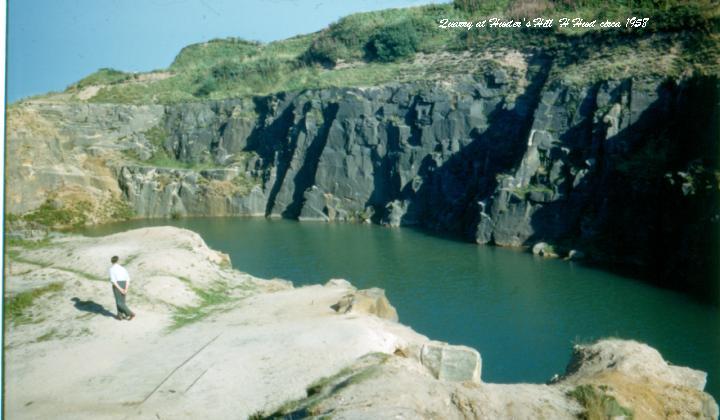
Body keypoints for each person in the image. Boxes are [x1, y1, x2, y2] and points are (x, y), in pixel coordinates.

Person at [109, 255, 135, 321]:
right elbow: (128, 279)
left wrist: (120, 289)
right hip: (124, 284)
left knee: (119, 302)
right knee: (122, 301)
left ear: (111, 261)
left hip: (117, 284)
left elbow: (113, 281)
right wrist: (125, 289)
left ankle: (130, 314)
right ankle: (119, 316)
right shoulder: (123, 268)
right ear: (118, 261)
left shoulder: (111, 269)